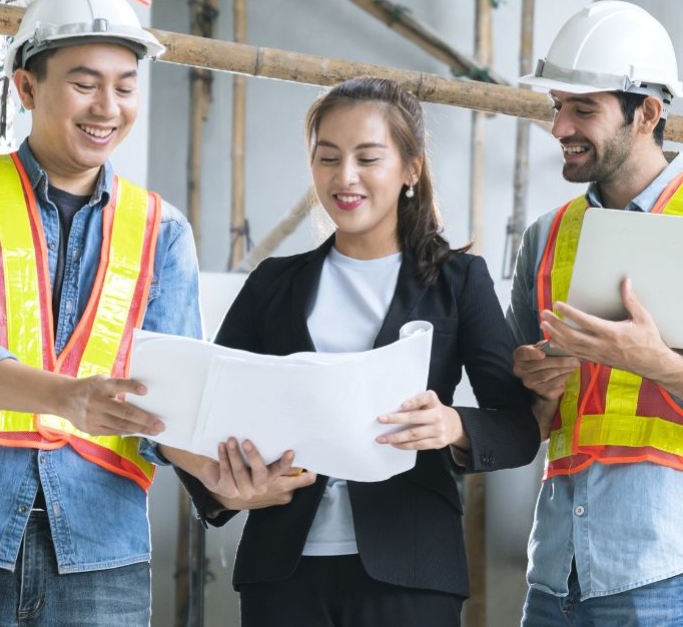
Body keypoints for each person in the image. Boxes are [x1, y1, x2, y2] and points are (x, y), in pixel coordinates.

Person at [170, 76, 541, 627]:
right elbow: (204, 412)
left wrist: (453, 427)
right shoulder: (273, 282)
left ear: (411, 168)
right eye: (328, 158)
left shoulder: (459, 281)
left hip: (412, 569)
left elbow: (518, 428)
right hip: (282, 571)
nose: (345, 177)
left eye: (368, 158)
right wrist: (228, 490)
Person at [509, 0, 683, 626]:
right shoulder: (544, 237)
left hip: (669, 566)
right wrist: (534, 391)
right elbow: (518, 419)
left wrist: (655, 362)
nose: (559, 127)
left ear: (648, 114)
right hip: (555, 574)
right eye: (557, 106)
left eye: (583, 108)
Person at [0, 0, 203, 627]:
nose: (107, 107)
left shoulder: (161, 231)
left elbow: (177, 400)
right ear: (26, 87)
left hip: (101, 552)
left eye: (124, 85)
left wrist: (233, 476)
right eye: (85, 84)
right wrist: (66, 398)